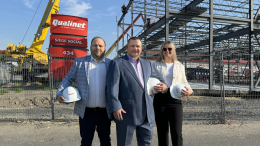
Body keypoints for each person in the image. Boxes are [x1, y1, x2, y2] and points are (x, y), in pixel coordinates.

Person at [106, 37, 167, 146]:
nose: (135, 48)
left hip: (147, 115)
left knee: (146, 144)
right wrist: (115, 106)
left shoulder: (147, 64)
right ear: (127, 47)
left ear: (141, 48)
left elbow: (160, 80)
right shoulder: (117, 63)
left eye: (138, 46)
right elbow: (112, 88)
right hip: (125, 113)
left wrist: (164, 85)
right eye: (133, 46)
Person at [56, 37, 112, 146]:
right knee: (85, 142)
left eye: (100, 46)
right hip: (86, 112)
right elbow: (68, 79)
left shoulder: (111, 64)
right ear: (90, 47)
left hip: (105, 112)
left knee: (106, 141)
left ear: (105, 48)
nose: (98, 48)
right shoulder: (80, 62)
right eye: (95, 45)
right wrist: (60, 92)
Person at [152, 40, 193, 146]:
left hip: (175, 100)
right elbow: (153, 80)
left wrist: (190, 91)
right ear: (161, 51)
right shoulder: (155, 65)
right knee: (162, 132)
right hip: (160, 100)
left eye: (169, 49)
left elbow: (184, 82)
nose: (167, 51)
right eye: (164, 49)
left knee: (177, 132)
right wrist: (164, 86)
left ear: (173, 51)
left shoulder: (180, 66)